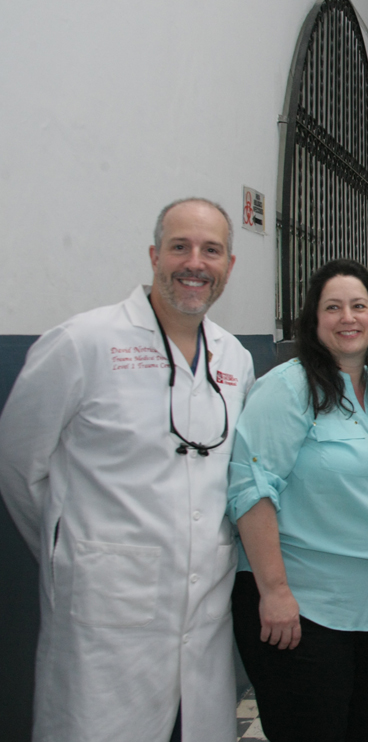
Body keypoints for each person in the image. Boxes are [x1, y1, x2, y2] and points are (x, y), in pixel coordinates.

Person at [0, 198, 254, 742]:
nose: (195, 263)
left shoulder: (234, 358)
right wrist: (75, 551)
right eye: (180, 247)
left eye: (211, 250)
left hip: (204, 612)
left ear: (229, 265)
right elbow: (18, 464)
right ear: (154, 256)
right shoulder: (83, 342)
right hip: (104, 614)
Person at [227, 260, 368, 742]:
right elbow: (250, 488)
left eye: (359, 306)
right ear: (313, 320)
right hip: (302, 610)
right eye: (333, 307)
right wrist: (274, 593)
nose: (347, 317)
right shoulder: (288, 388)